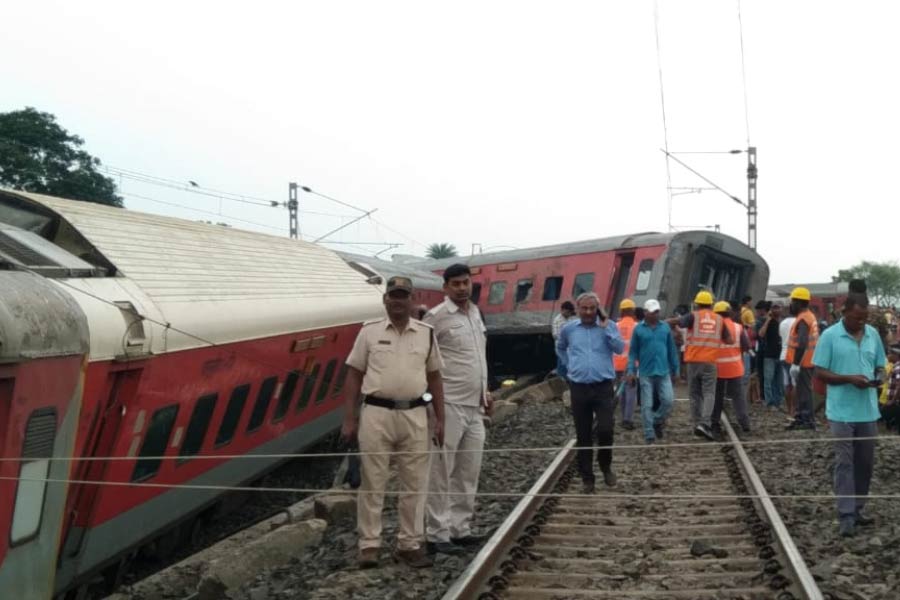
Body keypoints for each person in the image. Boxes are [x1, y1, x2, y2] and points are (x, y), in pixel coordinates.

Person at [340, 276, 446, 569]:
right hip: (376, 414)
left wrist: (440, 418)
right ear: (385, 300)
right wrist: (349, 418)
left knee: (414, 483)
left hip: (415, 415)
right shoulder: (369, 333)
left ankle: (409, 544)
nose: (398, 301)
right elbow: (353, 375)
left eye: (404, 296)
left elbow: (435, 377)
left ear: (412, 300)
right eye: (393, 296)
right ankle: (369, 546)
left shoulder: (426, 334)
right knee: (373, 482)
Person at [423, 264, 491, 555]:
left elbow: (478, 356)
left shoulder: (476, 314)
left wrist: (486, 391)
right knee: (440, 471)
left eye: (466, 282)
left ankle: (459, 528)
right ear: (446, 287)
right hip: (448, 404)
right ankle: (436, 534)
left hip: (475, 406)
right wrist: (433, 408)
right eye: (456, 284)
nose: (462, 288)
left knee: (468, 470)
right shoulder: (435, 318)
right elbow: (424, 362)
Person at [812, 290, 885, 537]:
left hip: (867, 410)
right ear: (845, 313)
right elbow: (820, 371)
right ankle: (845, 514)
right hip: (841, 411)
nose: (861, 323)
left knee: (865, 464)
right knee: (845, 462)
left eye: (864, 318)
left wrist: (880, 376)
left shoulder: (872, 334)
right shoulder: (830, 336)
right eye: (857, 318)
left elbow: (880, 363)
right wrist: (848, 379)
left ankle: (858, 508)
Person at [557, 292, 624, 492]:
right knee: (583, 434)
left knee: (606, 429)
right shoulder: (568, 329)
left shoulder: (609, 326)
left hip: (603, 386)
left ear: (598, 309)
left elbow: (619, 349)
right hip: (579, 387)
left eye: (592, 308)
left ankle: (605, 465)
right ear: (577, 309)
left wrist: (607, 329)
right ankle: (587, 478)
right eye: (584, 308)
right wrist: (570, 367)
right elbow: (560, 348)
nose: (588, 312)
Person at [668, 291, 733, 440]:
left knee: (694, 394)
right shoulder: (719, 319)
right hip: (710, 362)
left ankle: (697, 423)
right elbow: (729, 340)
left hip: (693, 362)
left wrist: (662, 322)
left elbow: (678, 322)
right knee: (709, 393)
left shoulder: (693, 316)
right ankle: (705, 423)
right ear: (711, 304)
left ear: (697, 304)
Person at [626, 299, 679, 444]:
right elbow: (633, 353)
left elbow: (671, 350)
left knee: (668, 401)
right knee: (647, 405)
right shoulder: (638, 330)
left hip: (663, 372)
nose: (656, 314)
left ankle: (656, 420)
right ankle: (649, 433)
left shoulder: (665, 328)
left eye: (657, 311)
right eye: (652, 312)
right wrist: (631, 370)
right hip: (646, 373)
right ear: (645, 312)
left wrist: (676, 369)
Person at [711, 301, 751, 435]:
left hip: (717, 369)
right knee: (738, 397)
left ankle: (714, 423)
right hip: (735, 368)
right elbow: (746, 346)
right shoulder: (738, 327)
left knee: (717, 397)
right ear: (729, 312)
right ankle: (744, 423)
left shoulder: (713, 327)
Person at [785, 287, 821, 430]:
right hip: (808, 360)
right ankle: (801, 417)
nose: (791, 305)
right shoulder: (809, 315)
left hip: (804, 361)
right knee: (802, 390)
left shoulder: (803, 319)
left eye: (792, 301)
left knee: (804, 390)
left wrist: (795, 364)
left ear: (799, 302)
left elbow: (802, 343)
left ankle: (806, 419)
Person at [614, 299, 639, 430]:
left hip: (617, 364)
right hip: (631, 366)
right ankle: (627, 419)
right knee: (631, 392)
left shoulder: (615, 326)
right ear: (632, 311)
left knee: (621, 391)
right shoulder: (637, 327)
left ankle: (623, 416)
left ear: (622, 311)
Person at [757, 302, 784, 407]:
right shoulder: (768, 322)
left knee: (778, 380)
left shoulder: (783, 322)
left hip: (781, 354)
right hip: (769, 354)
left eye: (778, 308)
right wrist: (768, 320)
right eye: (774, 308)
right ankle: (769, 401)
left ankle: (778, 400)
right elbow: (761, 334)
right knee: (768, 378)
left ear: (781, 309)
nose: (776, 310)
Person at [780, 304, 798, 418]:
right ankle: (794, 410)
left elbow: (781, 337)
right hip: (794, 355)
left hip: (783, 355)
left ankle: (789, 410)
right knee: (795, 383)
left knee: (787, 383)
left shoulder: (782, 323)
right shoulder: (798, 322)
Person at [552, 301, 577, 378]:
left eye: (570, 312)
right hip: (562, 348)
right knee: (562, 365)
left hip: (570, 348)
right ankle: (561, 381)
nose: (569, 314)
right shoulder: (558, 320)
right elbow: (556, 335)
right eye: (568, 312)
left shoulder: (570, 318)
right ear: (563, 310)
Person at [882, 344, 900, 433]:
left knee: (884, 413)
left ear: (896, 355)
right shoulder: (895, 367)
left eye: (889, 353)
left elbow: (899, 385)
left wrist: (892, 401)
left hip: (896, 402)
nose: (887, 356)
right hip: (895, 401)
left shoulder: (898, 367)